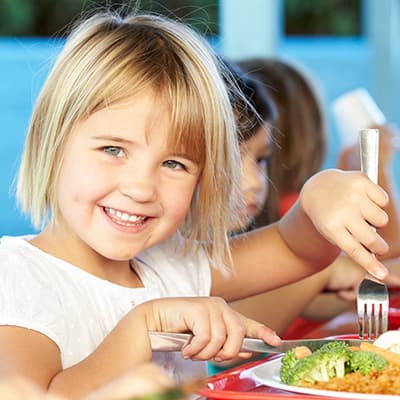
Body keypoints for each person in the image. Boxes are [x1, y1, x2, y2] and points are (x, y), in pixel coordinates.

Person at [0, 10, 392, 399]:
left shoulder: (171, 265)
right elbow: (35, 395)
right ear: (51, 144)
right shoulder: (18, 277)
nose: (141, 188)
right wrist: (144, 325)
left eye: (174, 163)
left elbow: (295, 250)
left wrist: (317, 198)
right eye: (113, 149)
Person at [230, 57, 400, 335]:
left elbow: (319, 293)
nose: (251, 181)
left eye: (261, 160)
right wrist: (373, 166)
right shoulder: (292, 213)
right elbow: (384, 250)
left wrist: (333, 272)